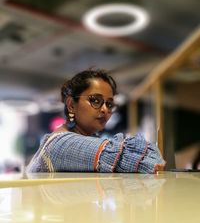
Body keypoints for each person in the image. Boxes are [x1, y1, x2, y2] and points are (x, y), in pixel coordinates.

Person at [26, 68, 165, 173]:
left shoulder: (80, 139)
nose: (105, 109)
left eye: (109, 104)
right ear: (71, 105)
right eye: (95, 100)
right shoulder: (61, 144)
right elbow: (145, 158)